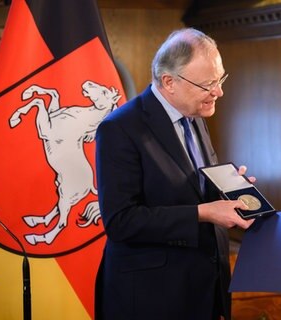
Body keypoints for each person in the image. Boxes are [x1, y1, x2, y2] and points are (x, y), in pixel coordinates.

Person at [94, 28, 254, 320]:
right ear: (169, 82)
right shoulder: (120, 129)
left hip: (203, 290)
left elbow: (187, 189)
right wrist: (204, 212)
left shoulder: (194, 113)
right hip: (151, 298)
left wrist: (228, 189)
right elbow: (121, 221)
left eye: (220, 79)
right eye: (208, 84)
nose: (218, 91)